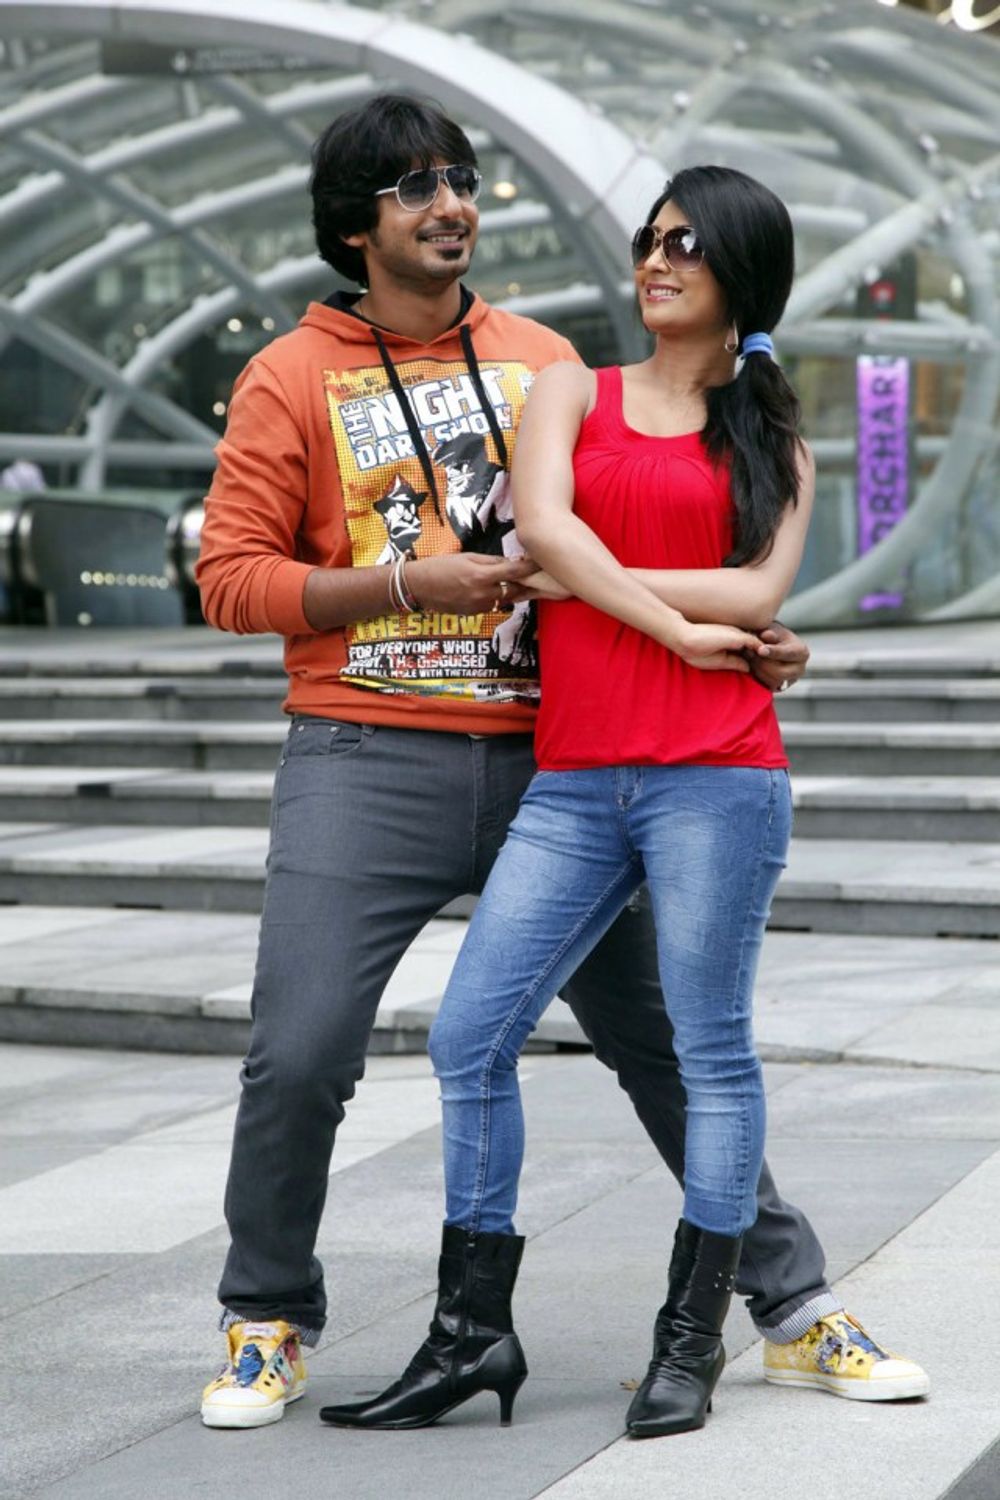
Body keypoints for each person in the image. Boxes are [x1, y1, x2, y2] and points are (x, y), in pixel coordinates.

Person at [195, 94, 928, 1430]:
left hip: (560, 753)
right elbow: (232, 582)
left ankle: (789, 1304)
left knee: (669, 1043)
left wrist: (744, 636)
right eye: (415, 188)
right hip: (367, 754)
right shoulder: (288, 375)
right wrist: (407, 582)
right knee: (299, 1051)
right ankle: (268, 1315)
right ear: (356, 227)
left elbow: (669, 536)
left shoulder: (543, 359)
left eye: (462, 179)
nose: (452, 204)